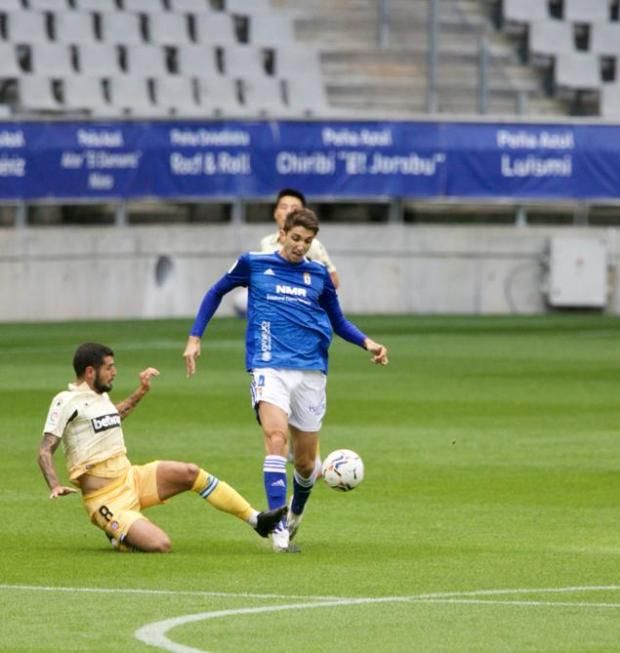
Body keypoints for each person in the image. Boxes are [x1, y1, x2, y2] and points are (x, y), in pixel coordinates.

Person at [183, 207, 388, 553]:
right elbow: (215, 291)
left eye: (307, 241)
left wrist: (368, 342)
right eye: (295, 238)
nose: (300, 246)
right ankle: (277, 529)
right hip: (269, 367)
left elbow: (338, 322)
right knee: (276, 438)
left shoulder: (318, 275)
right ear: (281, 234)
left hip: (311, 371)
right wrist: (194, 337)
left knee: (307, 464)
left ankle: (295, 512)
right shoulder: (254, 263)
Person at [37, 342, 286, 553]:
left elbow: (113, 417)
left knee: (190, 472)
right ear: (90, 372)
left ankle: (257, 521)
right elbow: (45, 449)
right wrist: (55, 484)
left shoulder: (100, 397)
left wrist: (141, 392)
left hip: (131, 478)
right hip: (106, 500)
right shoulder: (66, 401)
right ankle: (117, 535)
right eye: (109, 367)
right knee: (160, 545)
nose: (114, 372)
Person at [261, 188, 340, 289]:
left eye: (294, 208)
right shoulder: (265, 242)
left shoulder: (314, 245)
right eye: (283, 207)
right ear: (275, 213)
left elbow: (332, 280)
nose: (288, 212)